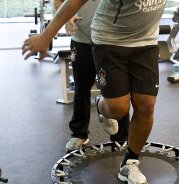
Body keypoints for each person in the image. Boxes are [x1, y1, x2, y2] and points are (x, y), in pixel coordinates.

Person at [22, 0, 167, 183]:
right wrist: (46, 35)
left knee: (146, 105)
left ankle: (130, 163)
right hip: (110, 40)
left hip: (146, 42)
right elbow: (73, 3)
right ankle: (101, 105)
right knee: (117, 109)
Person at [54, 0, 130, 153]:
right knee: (81, 87)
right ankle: (79, 133)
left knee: (117, 89)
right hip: (81, 39)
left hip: (111, 40)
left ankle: (121, 137)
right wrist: (67, 18)